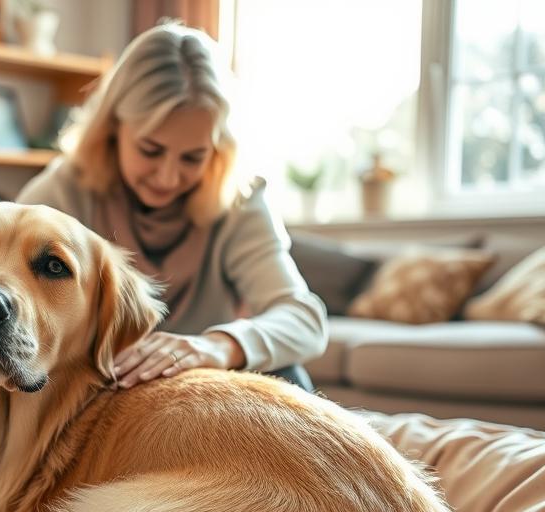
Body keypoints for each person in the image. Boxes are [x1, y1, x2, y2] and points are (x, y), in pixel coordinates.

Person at [17, 21, 327, 389]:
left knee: (290, 377)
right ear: (114, 127)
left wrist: (216, 346)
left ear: (217, 149)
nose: (168, 177)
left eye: (193, 157)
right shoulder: (62, 192)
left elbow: (304, 319)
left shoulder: (240, 200)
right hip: (99, 388)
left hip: (206, 390)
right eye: (151, 150)